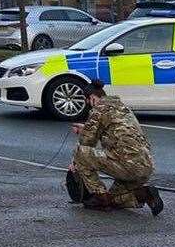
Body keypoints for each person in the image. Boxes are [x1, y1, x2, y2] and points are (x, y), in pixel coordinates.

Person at [68, 80, 164, 216]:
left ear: (93, 98)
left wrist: (74, 163)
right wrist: (85, 128)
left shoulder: (99, 109)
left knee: (80, 153)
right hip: (145, 166)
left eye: (88, 101)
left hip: (126, 165)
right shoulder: (122, 108)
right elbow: (115, 132)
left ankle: (99, 197)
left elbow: (86, 142)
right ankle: (144, 195)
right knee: (113, 199)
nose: (89, 105)